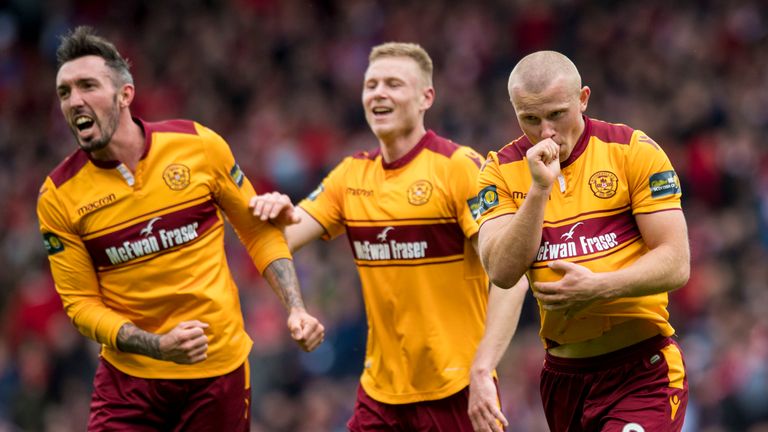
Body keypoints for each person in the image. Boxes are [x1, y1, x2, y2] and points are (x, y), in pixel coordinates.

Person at [36, 26, 324, 431]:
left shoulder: (198, 145)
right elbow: (80, 305)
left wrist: (295, 307)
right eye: (65, 92)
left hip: (217, 373)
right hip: (129, 384)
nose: (74, 100)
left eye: (87, 85)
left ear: (125, 95)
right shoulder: (58, 195)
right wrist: (157, 346)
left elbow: (257, 231)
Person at [251, 42, 528, 431]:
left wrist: (484, 368)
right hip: (379, 398)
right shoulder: (350, 176)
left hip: (458, 391)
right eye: (372, 85)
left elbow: (511, 275)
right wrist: (273, 216)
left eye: (394, 84)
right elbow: (272, 238)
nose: (379, 93)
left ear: (425, 97)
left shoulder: (459, 169)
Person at [471, 50, 690, 432]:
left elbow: (676, 261)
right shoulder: (499, 171)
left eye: (557, 114)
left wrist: (600, 287)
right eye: (530, 119)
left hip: (643, 370)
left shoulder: (631, 151)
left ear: (583, 98)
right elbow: (503, 272)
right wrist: (539, 189)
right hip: (564, 377)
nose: (546, 133)